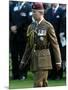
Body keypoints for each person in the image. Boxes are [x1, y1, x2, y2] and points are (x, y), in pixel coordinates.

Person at [19, 2, 61, 87]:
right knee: (43, 84)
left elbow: (55, 45)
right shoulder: (31, 27)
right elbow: (29, 46)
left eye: (35, 12)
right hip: (34, 59)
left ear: (41, 12)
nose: (32, 14)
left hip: (44, 59)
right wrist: (23, 60)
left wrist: (58, 61)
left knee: (38, 84)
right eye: (32, 11)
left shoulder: (48, 26)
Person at [45, 3, 64, 80]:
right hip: (49, 38)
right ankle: (51, 74)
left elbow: (63, 24)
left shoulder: (62, 11)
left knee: (58, 56)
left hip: (58, 38)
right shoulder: (48, 11)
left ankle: (58, 74)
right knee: (50, 56)